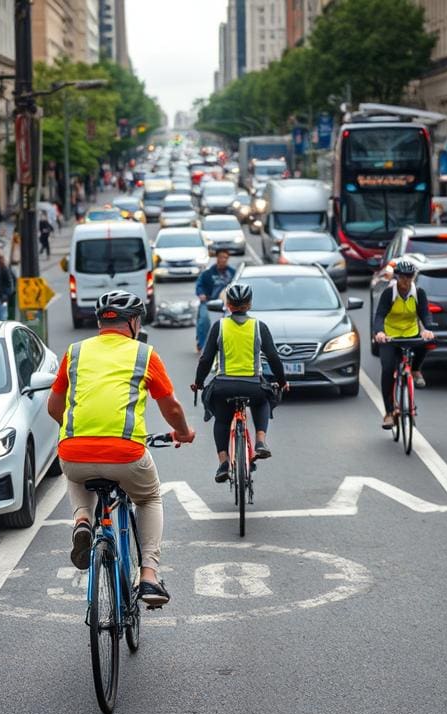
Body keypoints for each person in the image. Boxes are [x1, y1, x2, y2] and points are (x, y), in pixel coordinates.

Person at [46, 291, 195, 608]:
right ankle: (150, 576)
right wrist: (183, 432)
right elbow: (171, 407)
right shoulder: (144, 355)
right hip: (126, 454)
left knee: (74, 471)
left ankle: (83, 520)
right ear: (134, 322)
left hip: (75, 451)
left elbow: (54, 406)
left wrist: (79, 431)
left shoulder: (74, 353)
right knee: (149, 497)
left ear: (100, 322)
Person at [192, 283, 289, 483]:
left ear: (227, 304)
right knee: (263, 401)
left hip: (223, 386)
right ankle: (260, 441)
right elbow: (273, 358)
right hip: (253, 386)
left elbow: (206, 359)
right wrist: (282, 381)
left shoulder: (219, 326)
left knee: (222, 419)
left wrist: (198, 382)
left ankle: (223, 462)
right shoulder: (259, 327)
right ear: (249, 304)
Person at [372, 260, 435, 429]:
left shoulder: (419, 293)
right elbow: (379, 316)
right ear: (397, 277)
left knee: (426, 343)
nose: (406, 281)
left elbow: (425, 314)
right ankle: (389, 412)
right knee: (387, 369)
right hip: (390, 337)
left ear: (413, 277)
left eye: (409, 277)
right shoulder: (389, 293)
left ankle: (415, 370)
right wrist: (379, 332)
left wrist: (428, 329)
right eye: (402, 278)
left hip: (410, 334)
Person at [195, 249, 235, 352]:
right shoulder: (207, 273)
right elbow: (199, 285)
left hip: (227, 303)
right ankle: (202, 345)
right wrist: (201, 294)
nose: (223, 260)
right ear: (217, 258)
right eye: (221, 257)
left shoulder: (233, 273)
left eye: (226, 258)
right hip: (210, 302)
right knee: (204, 320)